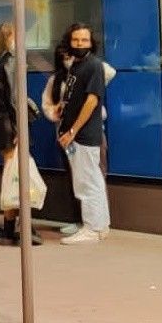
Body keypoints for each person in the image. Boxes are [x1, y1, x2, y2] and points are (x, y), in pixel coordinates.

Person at [0, 22, 42, 246]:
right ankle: (18, 226)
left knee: (11, 173)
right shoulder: (10, 61)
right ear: (11, 36)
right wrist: (19, 127)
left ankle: (10, 226)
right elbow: (15, 97)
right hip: (8, 122)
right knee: (16, 175)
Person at [55, 23, 111, 245]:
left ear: (91, 42)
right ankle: (100, 225)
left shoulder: (94, 66)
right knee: (91, 180)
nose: (79, 44)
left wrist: (72, 130)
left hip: (83, 135)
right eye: (76, 40)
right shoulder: (76, 66)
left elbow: (91, 101)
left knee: (87, 182)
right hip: (77, 134)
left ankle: (92, 228)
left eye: (84, 40)